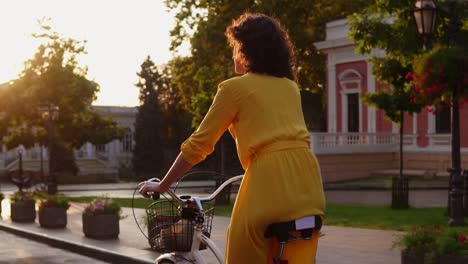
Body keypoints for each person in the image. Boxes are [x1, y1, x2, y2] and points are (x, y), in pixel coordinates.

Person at [138, 12, 325, 263]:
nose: (234, 52)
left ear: (247, 49)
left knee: (242, 253)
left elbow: (198, 145)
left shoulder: (233, 89)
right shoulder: (290, 87)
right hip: (309, 181)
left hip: (268, 180)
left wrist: (163, 185)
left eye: (236, 46)